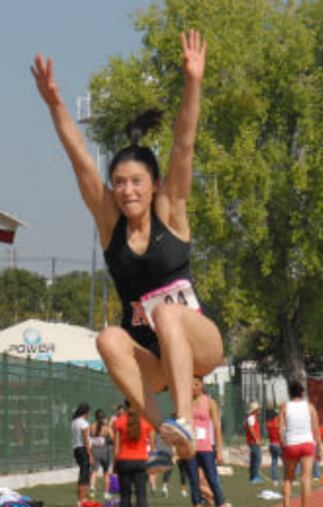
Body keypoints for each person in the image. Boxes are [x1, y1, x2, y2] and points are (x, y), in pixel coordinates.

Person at [32, 30, 222, 461]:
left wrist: (194, 82)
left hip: (198, 342)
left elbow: (184, 146)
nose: (127, 190)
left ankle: (186, 418)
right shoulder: (110, 223)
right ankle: (170, 432)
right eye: (119, 182)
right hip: (153, 359)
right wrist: (55, 104)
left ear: (154, 186)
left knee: (169, 312)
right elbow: (79, 158)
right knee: (108, 339)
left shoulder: (170, 210)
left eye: (136, 182)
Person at [185, 378, 238, 507]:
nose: (193, 387)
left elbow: (216, 426)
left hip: (206, 448)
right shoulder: (186, 403)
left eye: (196, 384)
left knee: (214, 482)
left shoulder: (210, 402)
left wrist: (219, 450)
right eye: (191, 384)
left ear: (202, 385)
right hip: (190, 449)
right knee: (194, 484)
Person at [278, 379, 323, 507]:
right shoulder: (310, 407)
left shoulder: (285, 407)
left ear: (289, 393)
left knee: (288, 478)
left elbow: (280, 430)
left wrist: (282, 445)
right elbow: (316, 430)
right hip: (306, 443)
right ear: (302, 393)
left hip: (291, 443)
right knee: (306, 478)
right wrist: (319, 449)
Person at [112, 401, 152, 507]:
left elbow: (116, 446)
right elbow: (151, 446)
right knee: (141, 494)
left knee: (125, 494)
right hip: (141, 460)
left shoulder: (119, 422)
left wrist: (114, 463)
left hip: (124, 460)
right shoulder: (146, 422)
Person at [70, 402, 94, 505]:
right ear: (86, 412)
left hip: (76, 449)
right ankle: (81, 500)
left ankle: (83, 498)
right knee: (84, 475)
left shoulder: (74, 422)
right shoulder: (84, 423)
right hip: (83, 449)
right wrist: (90, 454)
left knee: (84, 474)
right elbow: (85, 439)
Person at [89, 409, 113, 499]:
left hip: (94, 450)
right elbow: (113, 438)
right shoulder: (106, 427)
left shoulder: (92, 426)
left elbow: (89, 438)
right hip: (105, 451)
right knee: (106, 473)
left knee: (94, 471)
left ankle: (92, 488)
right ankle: (106, 493)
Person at [245, 402, 265, 483]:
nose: (260, 410)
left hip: (253, 441)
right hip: (253, 441)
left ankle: (253, 476)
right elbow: (251, 428)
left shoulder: (253, 417)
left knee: (254, 459)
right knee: (257, 458)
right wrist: (256, 439)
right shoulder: (251, 417)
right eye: (258, 409)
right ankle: (255, 476)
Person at [265, 409, 282, 485]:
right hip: (279, 443)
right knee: (286, 462)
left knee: (274, 461)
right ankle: (288, 479)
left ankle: (275, 479)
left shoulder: (268, 424)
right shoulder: (279, 424)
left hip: (272, 443)